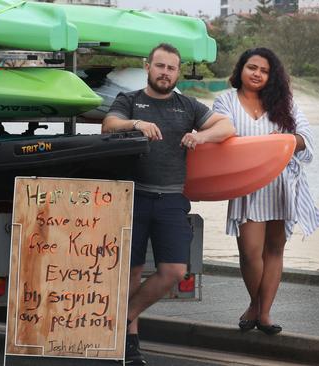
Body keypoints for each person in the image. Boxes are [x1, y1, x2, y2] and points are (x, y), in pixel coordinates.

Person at [102, 43, 235, 365]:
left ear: (178, 72)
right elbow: (109, 124)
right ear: (148, 66)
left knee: (175, 270)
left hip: (172, 198)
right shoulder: (130, 101)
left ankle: (120, 320)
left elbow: (227, 126)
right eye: (160, 66)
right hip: (133, 197)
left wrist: (201, 137)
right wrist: (136, 124)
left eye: (171, 68)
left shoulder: (187, 105)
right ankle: (130, 344)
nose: (165, 73)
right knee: (131, 274)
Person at [213, 47, 319, 335]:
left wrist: (284, 140)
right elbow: (221, 138)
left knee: (274, 249)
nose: (257, 74)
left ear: (271, 76)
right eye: (252, 67)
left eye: (264, 70)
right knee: (250, 253)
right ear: (241, 69)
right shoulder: (225, 101)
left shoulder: (284, 105)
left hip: (281, 184)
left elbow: (306, 139)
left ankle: (263, 313)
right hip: (246, 184)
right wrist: (265, 147)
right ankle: (254, 303)